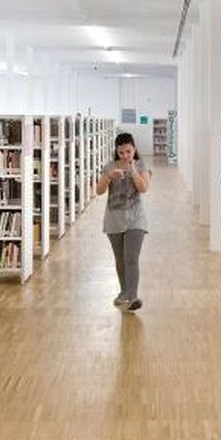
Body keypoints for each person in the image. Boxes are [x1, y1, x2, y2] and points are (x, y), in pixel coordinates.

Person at [95, 132, 152, 311]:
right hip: (114, 220)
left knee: (131, 258)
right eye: (121, 153)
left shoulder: (142, 165)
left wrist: (133, 171)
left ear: (134, 149)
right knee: (120, 259)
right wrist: (109, 177)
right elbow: (99, 191)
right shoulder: (109, 167)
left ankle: (133, 297)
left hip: (136, 219)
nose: (125, 156)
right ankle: (124, 292)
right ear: (116, 152)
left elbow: (143, 188)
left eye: (128, 151)